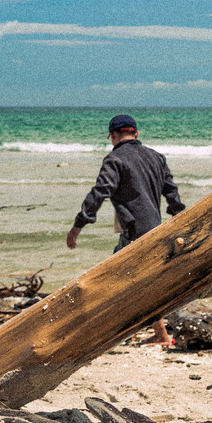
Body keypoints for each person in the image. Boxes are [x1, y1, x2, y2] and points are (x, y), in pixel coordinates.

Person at [66, 113, 186, 345]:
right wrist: (180, 219)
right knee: (140, 281)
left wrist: (78, 225)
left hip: (134, 232)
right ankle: (158, 333)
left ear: (112, 135)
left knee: (113, 278)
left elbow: (100, 192)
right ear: (136, 133)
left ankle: (100, 331)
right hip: (156, 229)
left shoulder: (115, 160)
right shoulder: (157, 157)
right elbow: (172, 194)